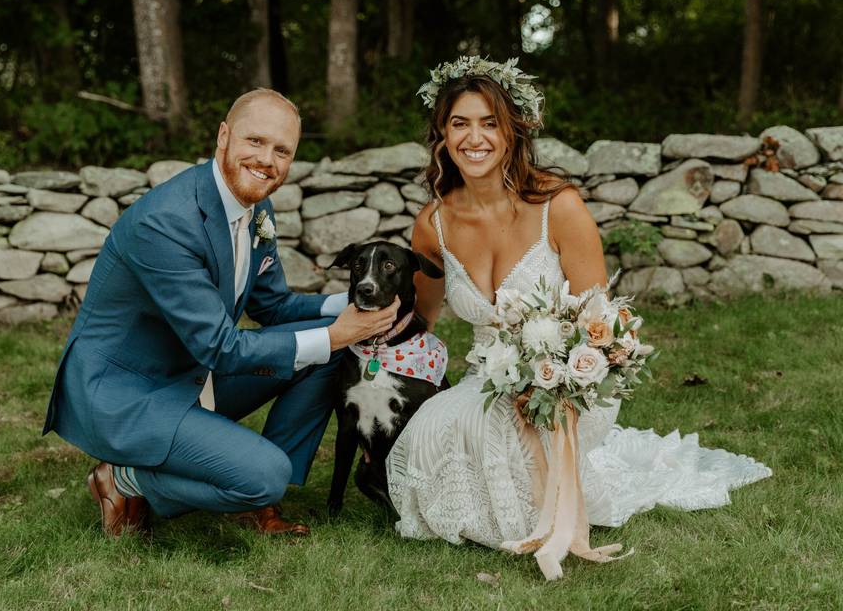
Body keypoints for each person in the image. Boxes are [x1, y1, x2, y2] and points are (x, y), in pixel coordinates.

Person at [386, 57, 772, 555]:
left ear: (513, 131)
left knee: (492, 443)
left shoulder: (558, 206)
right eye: (460, 123)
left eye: (490, 123)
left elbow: (601, 321)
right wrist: (363, 347)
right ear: (442, 131)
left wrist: (559, 376)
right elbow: (423, 320)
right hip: (487, 376)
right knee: (427, 433)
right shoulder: (432, 223)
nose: (474, 138)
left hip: (569, 385)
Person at [43, 88, 400, 537]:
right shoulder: (167, 221)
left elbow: (272, 306)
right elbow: (219, 346)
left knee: (328, 350)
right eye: (255, 141)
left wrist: (351, 306)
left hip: (189, 370)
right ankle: (123, 478)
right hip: (129, 393)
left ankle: (255, 493)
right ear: (224, 135)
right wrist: (335, 334)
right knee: (326, 347)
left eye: (282, 150)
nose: (267, 160)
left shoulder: (255, 205)